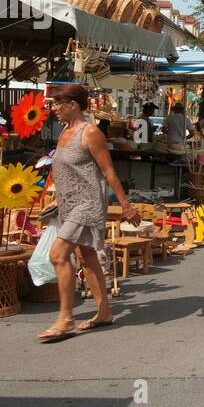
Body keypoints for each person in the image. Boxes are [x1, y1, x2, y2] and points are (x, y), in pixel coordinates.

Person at [38, 84, 141, 342]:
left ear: (73, 104)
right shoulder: (64, 131)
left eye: (57, 104)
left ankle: (65, 318)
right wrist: (53, 197)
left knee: (58, 254)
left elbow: (108, 172)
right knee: (88, 256)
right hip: (68, 204)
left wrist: (125, 205)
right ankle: (104, 311)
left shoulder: (90, 132)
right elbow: (64, 170)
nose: (54, 109)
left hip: (88, 204)